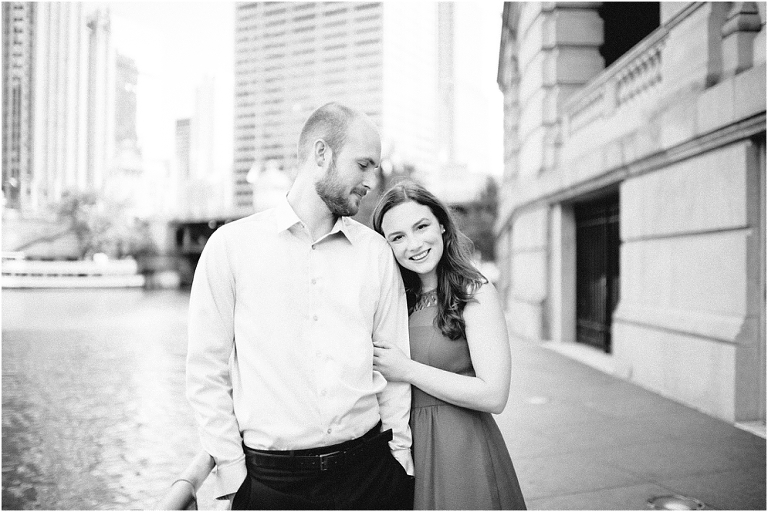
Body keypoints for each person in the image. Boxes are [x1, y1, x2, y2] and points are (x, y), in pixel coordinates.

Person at [186, 102, 414, 510]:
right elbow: (206, 372)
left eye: (375, 167)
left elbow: (394, 364)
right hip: (271, 484)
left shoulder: (376, 254)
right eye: (363, 164)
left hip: (369, 475)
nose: (371, 180)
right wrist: (233, 477)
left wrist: (400, 462)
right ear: (321, 154)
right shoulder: (230, 248)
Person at [372, 180, 527, 510]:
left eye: (421, 226)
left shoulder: (474, 292)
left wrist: (408, 369)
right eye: (397, 237)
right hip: (403, 448)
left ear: (441, 225)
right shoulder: (395, 301)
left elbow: (494, 394)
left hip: (460, 448)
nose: (413, 244)